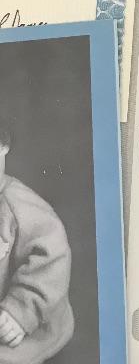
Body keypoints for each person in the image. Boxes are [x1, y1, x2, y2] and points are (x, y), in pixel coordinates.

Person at [0, 119, 74, 364]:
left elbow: (52, 260)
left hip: (29, 320)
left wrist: (20, 312)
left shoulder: (20, 206)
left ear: (3, 146)